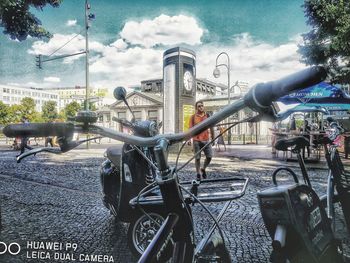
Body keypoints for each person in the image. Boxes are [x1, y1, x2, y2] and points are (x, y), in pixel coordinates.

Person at [189, 101, 215, 181]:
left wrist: (213, 138)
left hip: (206, 140)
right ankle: (198, 173)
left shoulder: (207, 116)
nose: (201, 107)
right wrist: (189, 140)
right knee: (197, 158)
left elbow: (211, 127)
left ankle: (203, 168)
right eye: (199, 106)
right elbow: (190, 130)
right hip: (196, 140)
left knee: (209, 156)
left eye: (202, 106)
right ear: (196, 108)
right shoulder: (193, 117)